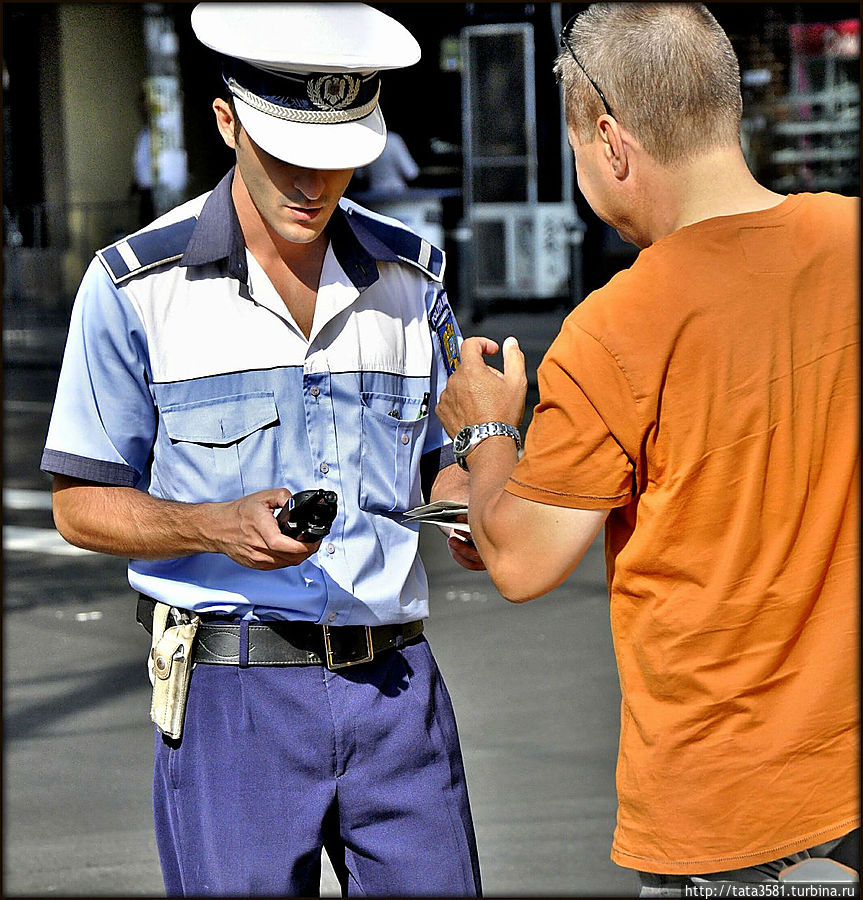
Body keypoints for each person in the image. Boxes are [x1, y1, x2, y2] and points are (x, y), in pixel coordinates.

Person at [40, 3, 483, 895]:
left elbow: (449, 454)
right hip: (228, 698)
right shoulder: (136, 288)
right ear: (227, 121)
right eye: (288, 154)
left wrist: (471, 489)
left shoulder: (415, 281)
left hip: (398, 687)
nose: (313, 184)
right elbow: (79, 504)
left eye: (337, 157)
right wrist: (214, 526)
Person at [436, 3, 859, 895]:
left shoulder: (617, 328)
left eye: (580, 156)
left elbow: (519, 559)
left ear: (610, 140)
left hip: (733, 813)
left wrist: (485, 430)